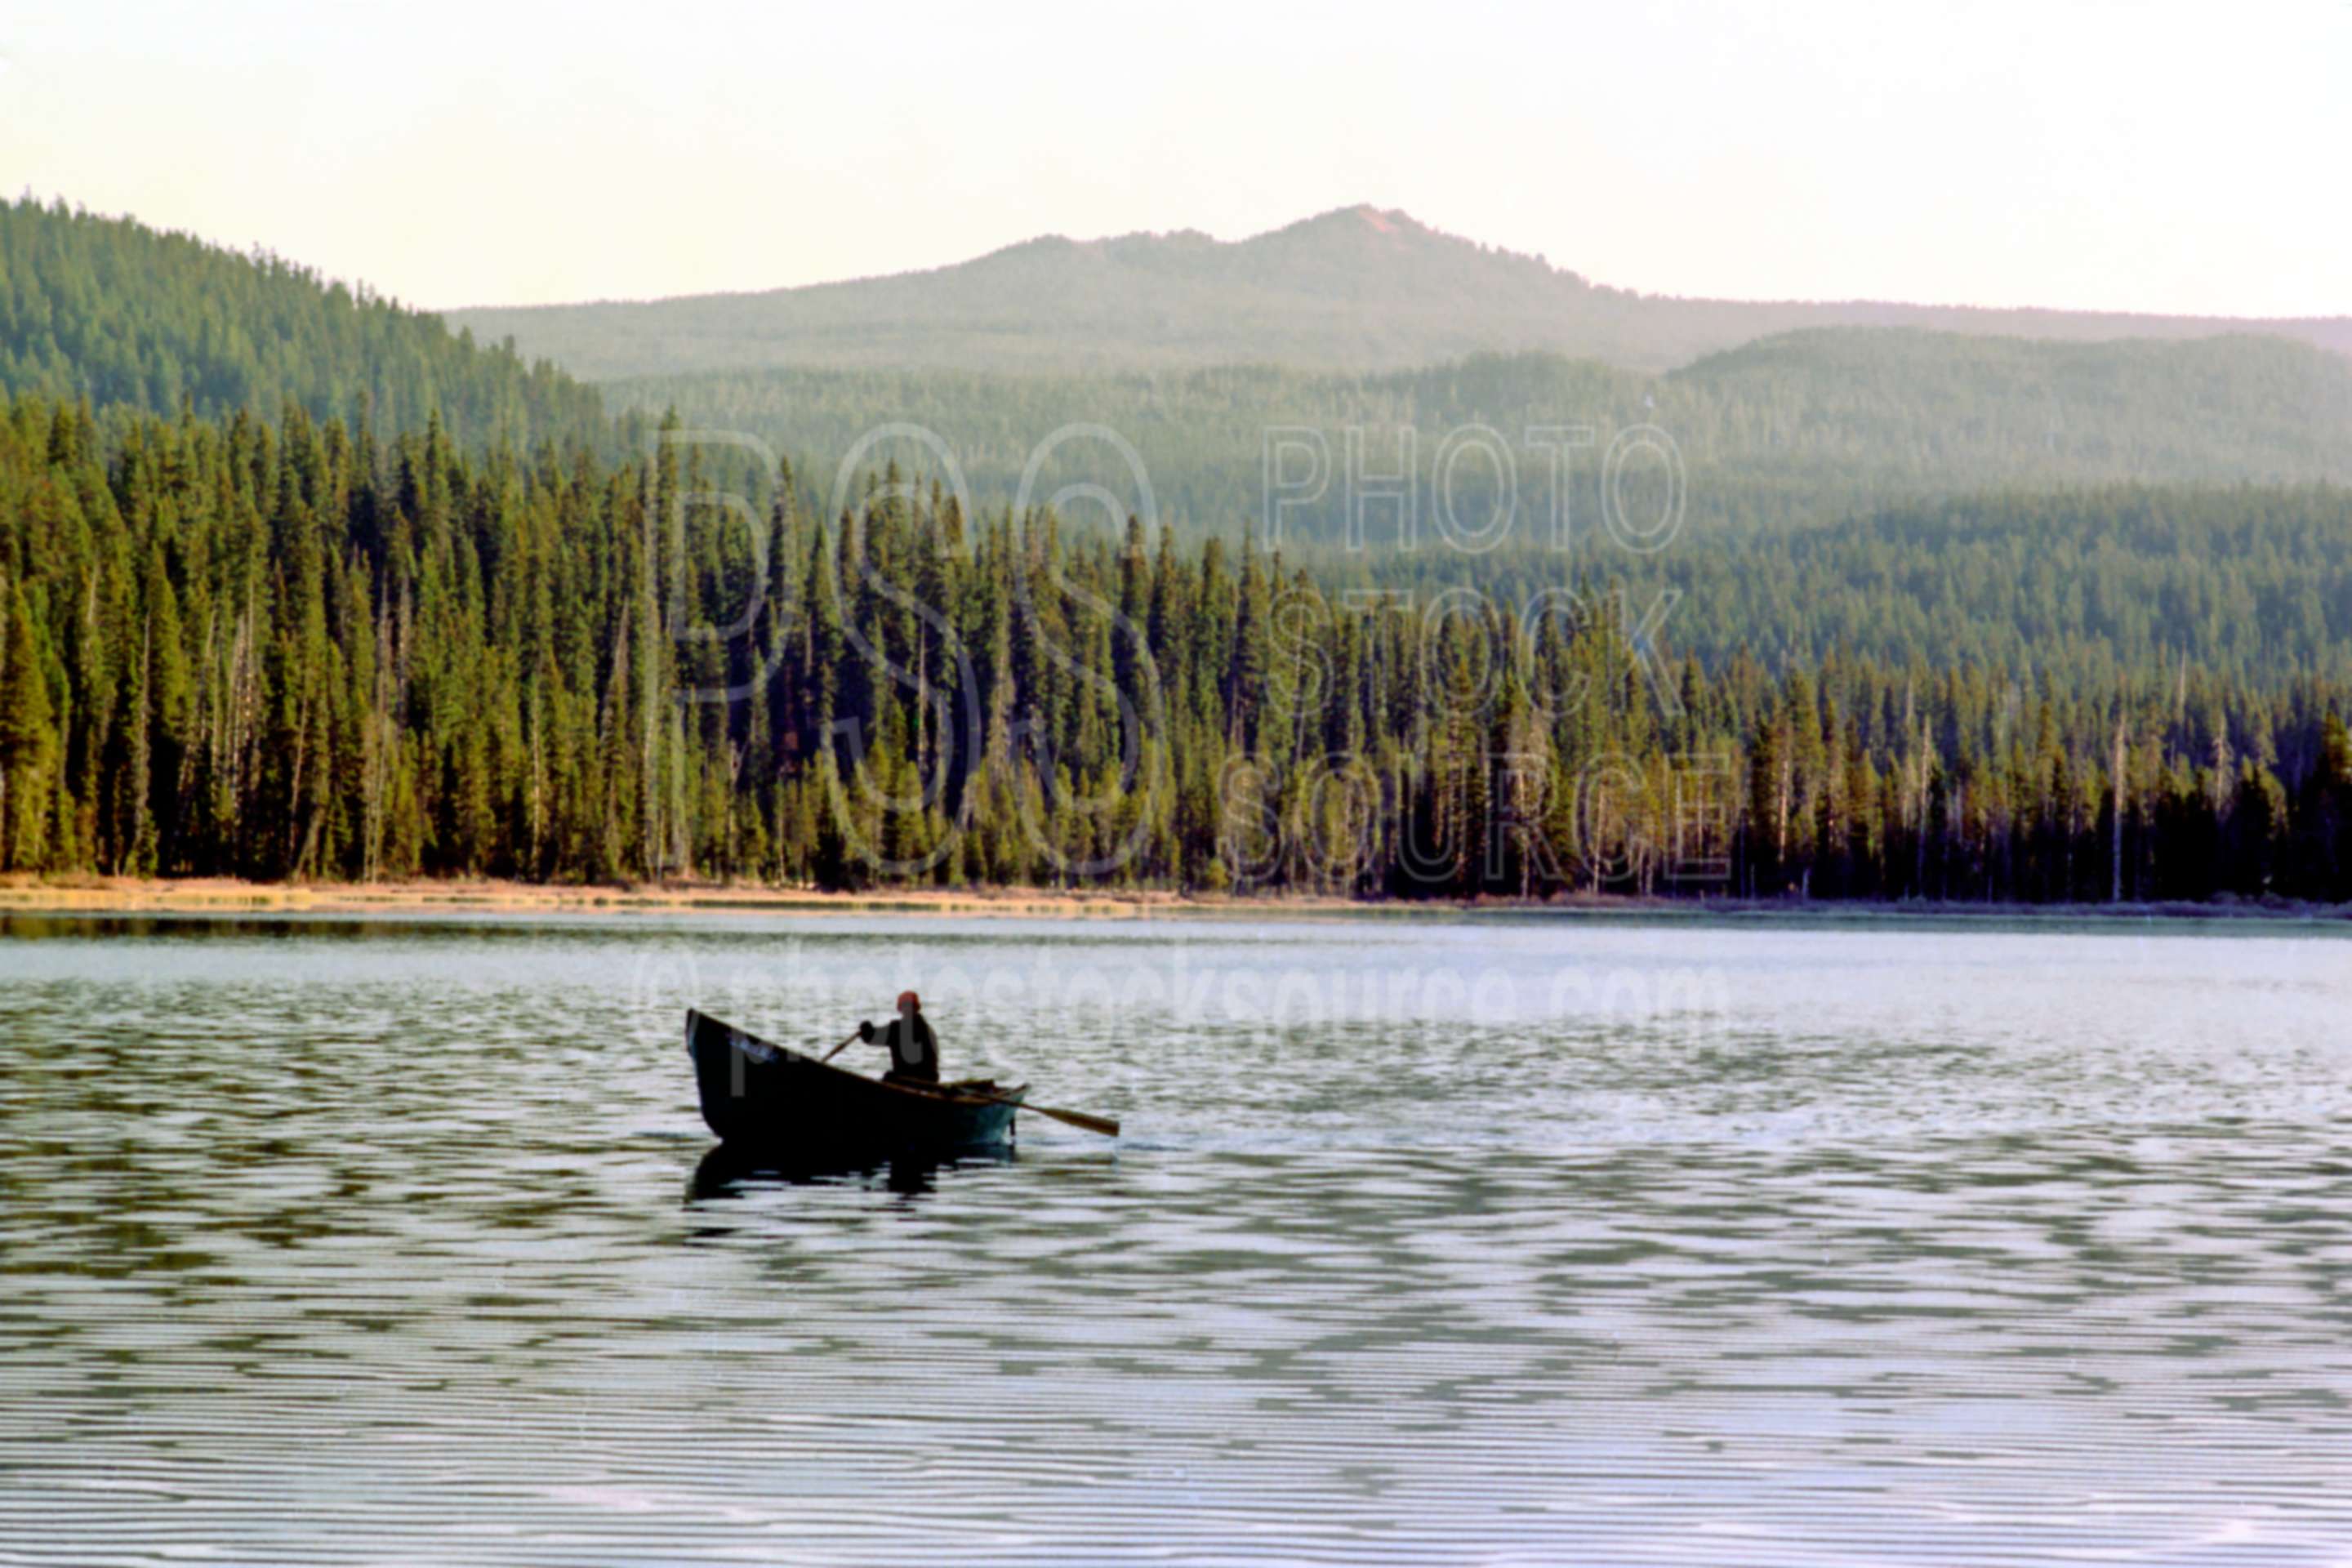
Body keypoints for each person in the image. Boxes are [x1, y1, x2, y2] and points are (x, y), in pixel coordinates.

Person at [860, 991, 940, 1085]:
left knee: (889, 1077)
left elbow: (870, 1037)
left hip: (907, 1081)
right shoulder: (929, 1031)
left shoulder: (897, 1029)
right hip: (928, 1082)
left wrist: (865, 1027)